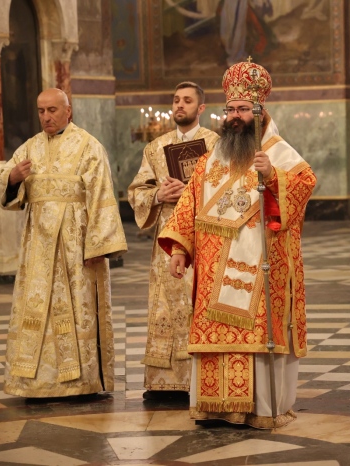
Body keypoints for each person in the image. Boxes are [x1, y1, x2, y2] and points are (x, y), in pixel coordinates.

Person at [159, 59, 316, 428]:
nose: (233, 116)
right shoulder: (215, 155)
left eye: (242, 109)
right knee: (217, 337)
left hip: (262, 267)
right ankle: (215, 407)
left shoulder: (278, 152)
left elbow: (304, 184)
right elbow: (191, 203)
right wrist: (181, 248)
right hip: (214, 271)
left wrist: (273, 177)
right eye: (229, 109)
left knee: (256, 337)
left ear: (260, 111)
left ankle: (261, 409)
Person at [0, 88, 127, 398]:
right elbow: (5, 188)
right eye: (41, 111)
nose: (46, 117)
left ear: (69, 111)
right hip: (37, 247)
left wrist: (98, 247)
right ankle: (35, 381)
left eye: (52, 110)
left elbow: (103, 199)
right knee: (39, 311)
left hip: (75, 248)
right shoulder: (30, 148)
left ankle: (80, 383)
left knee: (77, 312)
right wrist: (12, 178)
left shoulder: (89, 147)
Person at [128, 82, 219, 401]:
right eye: (176, 99)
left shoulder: (215, 143)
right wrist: (157, 194)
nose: (180, 105)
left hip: (205, 233)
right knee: (166, 304)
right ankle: (165, 382)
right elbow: (136, 190)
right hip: (167, 235)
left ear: (201, 108)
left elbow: (229, 188)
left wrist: (195, 191)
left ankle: (201, 378)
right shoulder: (155, 147)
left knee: (199, 302)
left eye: (187, 100)